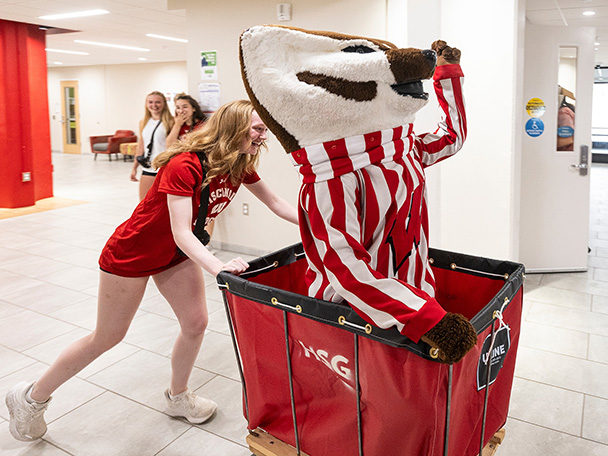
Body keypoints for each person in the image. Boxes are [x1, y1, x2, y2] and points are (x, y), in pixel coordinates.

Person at [5, 99, 299, 442]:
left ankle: (177, 397)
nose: (264, 136)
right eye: (259, 128)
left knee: (196, 323)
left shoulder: (237, 162)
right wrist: (219, 266)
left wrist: (321, 225)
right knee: (108, 336)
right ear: (234, 126)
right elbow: (182, 232)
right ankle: (31, 398)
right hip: (132, 254)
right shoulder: (185, 165)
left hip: (174, 255)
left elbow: (276, 203)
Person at [131, 91, 176, 201]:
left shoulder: (171, 121)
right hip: (148, 167)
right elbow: (141, 147)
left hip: (165, 168)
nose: (154, 105)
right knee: (144, 204)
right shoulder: (143, 122)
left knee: (163, 205)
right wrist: (134, 168)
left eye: (158, 102)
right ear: (146, 104)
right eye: (150, 102)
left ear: (164, 104)